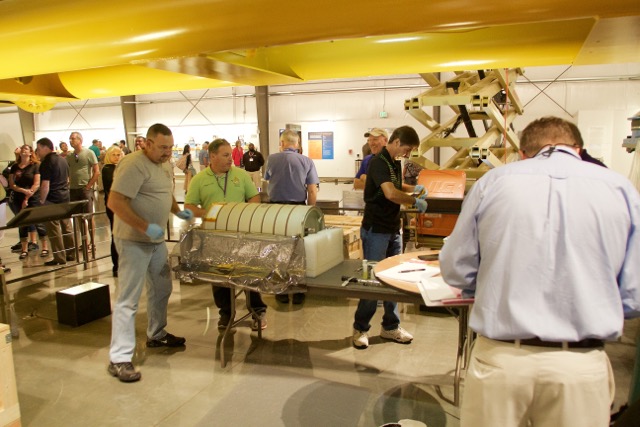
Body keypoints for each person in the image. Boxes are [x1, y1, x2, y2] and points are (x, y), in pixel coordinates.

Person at [439, 116, 640, 427]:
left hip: (502, 360)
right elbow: (633, 295)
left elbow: (456, 268)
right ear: (578, 148)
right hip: (580, 365)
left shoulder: (493, 183)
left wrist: (488, 288)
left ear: (523, 152)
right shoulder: (620, 188)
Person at [107, 123, 193, 383]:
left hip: (154, 243)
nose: (168, 153)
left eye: (170, 147)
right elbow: (115, 202)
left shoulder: (164, 163)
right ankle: (119, 358)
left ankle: (156, 334)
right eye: (163, 147)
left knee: (162, 287)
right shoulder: (133, 164)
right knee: (129, 299)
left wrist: (178, 212)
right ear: (147, 143)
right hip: (133, 241)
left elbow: (166, 193)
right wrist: (145, 227)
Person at [352, 125, 427, 349]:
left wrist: (414, 189)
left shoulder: (394, 162)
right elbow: (390, 193)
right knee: (372, 281)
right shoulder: (378, 162)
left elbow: (395, 186)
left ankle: (390, 327)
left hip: (393, 229)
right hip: (376, 230)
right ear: (395, 142)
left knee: (394, 280)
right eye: (407, 149)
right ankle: (360, 328)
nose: (407, 154)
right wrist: (414, 201)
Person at [184, 138, 268, 331]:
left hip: (241, 235)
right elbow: (189, 206)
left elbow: (254, 197)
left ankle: (258, 311)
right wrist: (207, 214)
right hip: (214, 237)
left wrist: (247, 213)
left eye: (230, 154)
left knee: (249, 273)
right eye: (225, 155)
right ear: (212, 156)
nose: (230, 159)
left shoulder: (241, 175)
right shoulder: (199, 180)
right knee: (219, 277)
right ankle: (226, 314)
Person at [264, 129, 320, 304]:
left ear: (282, 143)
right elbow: (312, 190)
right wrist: (311, 213)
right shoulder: (306, 161)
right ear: (298, 145)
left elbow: (267, 181)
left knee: (279, 249)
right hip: (297, 210)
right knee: (298, 251)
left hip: (276, 209)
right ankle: (297, 292)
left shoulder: (271, 159)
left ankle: (280, 291)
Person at [36, 138, 76, 266]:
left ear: (45, 147)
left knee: (54, 230)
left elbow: (45, 184)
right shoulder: (62, 160)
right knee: (67, 227)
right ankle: (71, 254)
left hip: (52, 199)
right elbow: (68, 179)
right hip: (65, 197)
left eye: (38, 149)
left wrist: (41, 200)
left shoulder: (46, 162)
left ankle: (59, 257)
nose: (37, 152)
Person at [8, 145, 49, 260]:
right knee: (22, 224)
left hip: (33, 197)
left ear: (31, 153)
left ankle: (45, 247)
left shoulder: (35, 166)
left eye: (26, 149)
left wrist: (28, 195)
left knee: (38, 223)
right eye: (22, 149)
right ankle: (24, 249)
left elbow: (36, 183)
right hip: (18, 197)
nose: (23, 150)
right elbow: (12, 184)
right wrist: (22, 190)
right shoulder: (15, 166)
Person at [67, 132, 100, 252]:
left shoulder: (89, 153)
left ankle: (92, 242)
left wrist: (89, 186)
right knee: (78, 218)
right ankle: (84, 242)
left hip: (85, 189)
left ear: (80, 140)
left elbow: (96, 171)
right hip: (73, 190)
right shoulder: (70, 156)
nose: (71, 141)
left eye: (73, 139)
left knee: (89, 216)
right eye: (70, 139)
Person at [101, 145, 123, 277]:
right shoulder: (107, 169)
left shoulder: (121, 168)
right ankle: (117, 265)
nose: (116, 157)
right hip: (114, 207)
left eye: (118, 154)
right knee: (116, 235)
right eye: (114, 155)